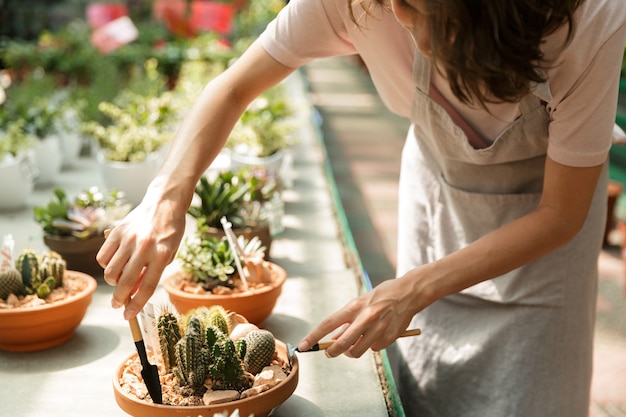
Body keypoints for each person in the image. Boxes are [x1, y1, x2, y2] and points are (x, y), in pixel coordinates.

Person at [97, 0, 626, 415]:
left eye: (433, 15)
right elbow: (233, 87)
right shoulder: (355, 2)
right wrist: (166, 196)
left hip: (543, 238)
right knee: (423, 392)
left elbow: (561, 214)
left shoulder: (590, 17)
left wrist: (414, 288)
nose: (409, 26)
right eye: (402, 3)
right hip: (439, 201)